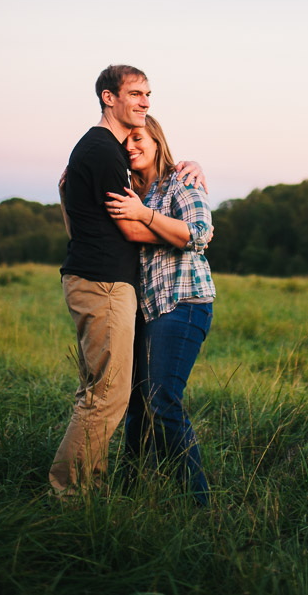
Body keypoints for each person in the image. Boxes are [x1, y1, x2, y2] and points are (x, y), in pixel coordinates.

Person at [50, 64, 205, 496]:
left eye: (148, 95)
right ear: (108, 97)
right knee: (108, 398)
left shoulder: (120, 161)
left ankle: (97, 487)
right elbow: (131, 230)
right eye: (135, 93)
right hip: (103, 285)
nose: (144, 102)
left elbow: (190, 227)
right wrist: (149, 217)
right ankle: (72, 494)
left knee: (112, 396)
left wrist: (189, 165)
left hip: (119, 288)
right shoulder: (104, 152)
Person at [105, 114, 215, 504]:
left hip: (184, 301)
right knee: (136, 403)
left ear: (156, 140)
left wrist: (146, 217)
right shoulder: (129, 191)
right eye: (126, 142)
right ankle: (130, 493)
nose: (131, 146)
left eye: (138, 138)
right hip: (146, 311)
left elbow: (199, 235)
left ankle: (197, 503)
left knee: (161, 398)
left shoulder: (181, 181)